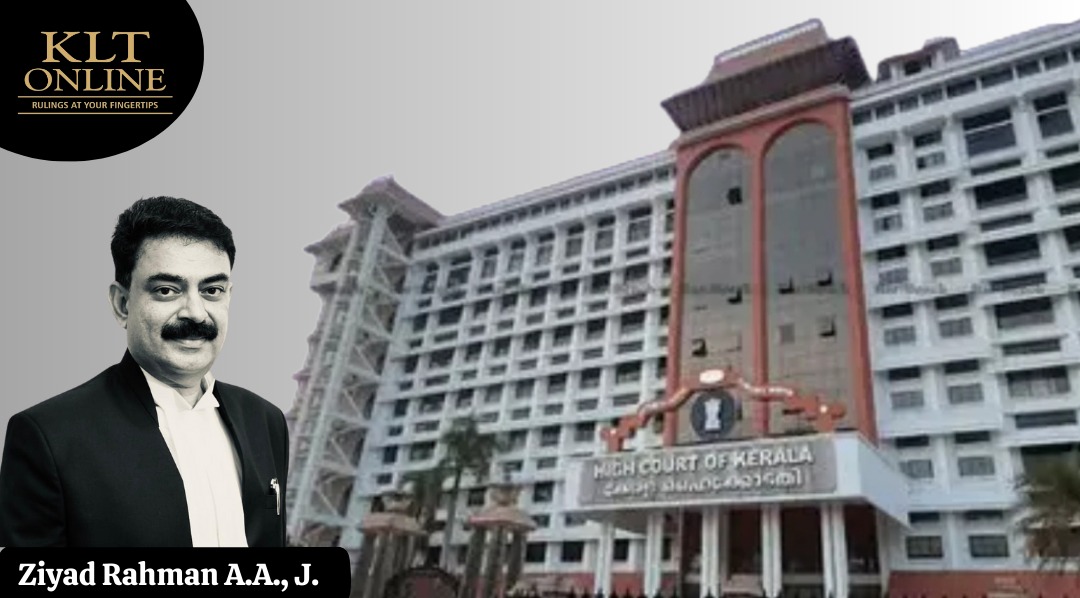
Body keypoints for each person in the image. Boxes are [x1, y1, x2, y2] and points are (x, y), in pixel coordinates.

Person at [0, 197, 288, 547]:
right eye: (167, 290)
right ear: (122, 304)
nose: (196, 313)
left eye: (212, 290)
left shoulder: (265, 421)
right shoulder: (52, 436)